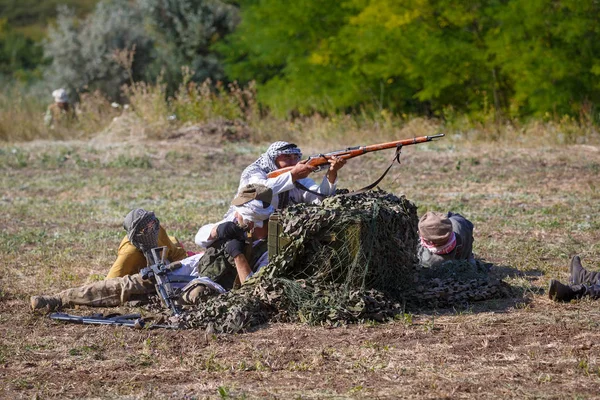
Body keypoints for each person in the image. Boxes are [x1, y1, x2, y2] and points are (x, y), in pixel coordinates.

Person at [30, 184, 275, 312]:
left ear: (255, 219)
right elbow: (201, 238)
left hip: (213, 288)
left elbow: (254, 290)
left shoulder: (268, 249)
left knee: (195, 295)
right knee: (134, 283)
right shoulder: (234, 225)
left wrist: (238, 254)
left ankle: (151, 299)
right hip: (193, 268)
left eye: (242, 216)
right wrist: (218, 231)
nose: (237, 219)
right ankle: (60, 299)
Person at [232, 141, 346, 212]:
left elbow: (319, 199)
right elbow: (258, 191)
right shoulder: (254, 171)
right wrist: (292, 176)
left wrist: (332, 171)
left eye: (295, 157)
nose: (293, 162)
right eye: (286, 157)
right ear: (273, 159)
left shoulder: (299, 176)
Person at [106, 209, 188, 278]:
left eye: (152, 224)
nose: (152, 230)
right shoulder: (129, 253)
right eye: (145, 229)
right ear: (136, 234)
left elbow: (175, 253)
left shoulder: (157, 229)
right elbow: (110, 282)